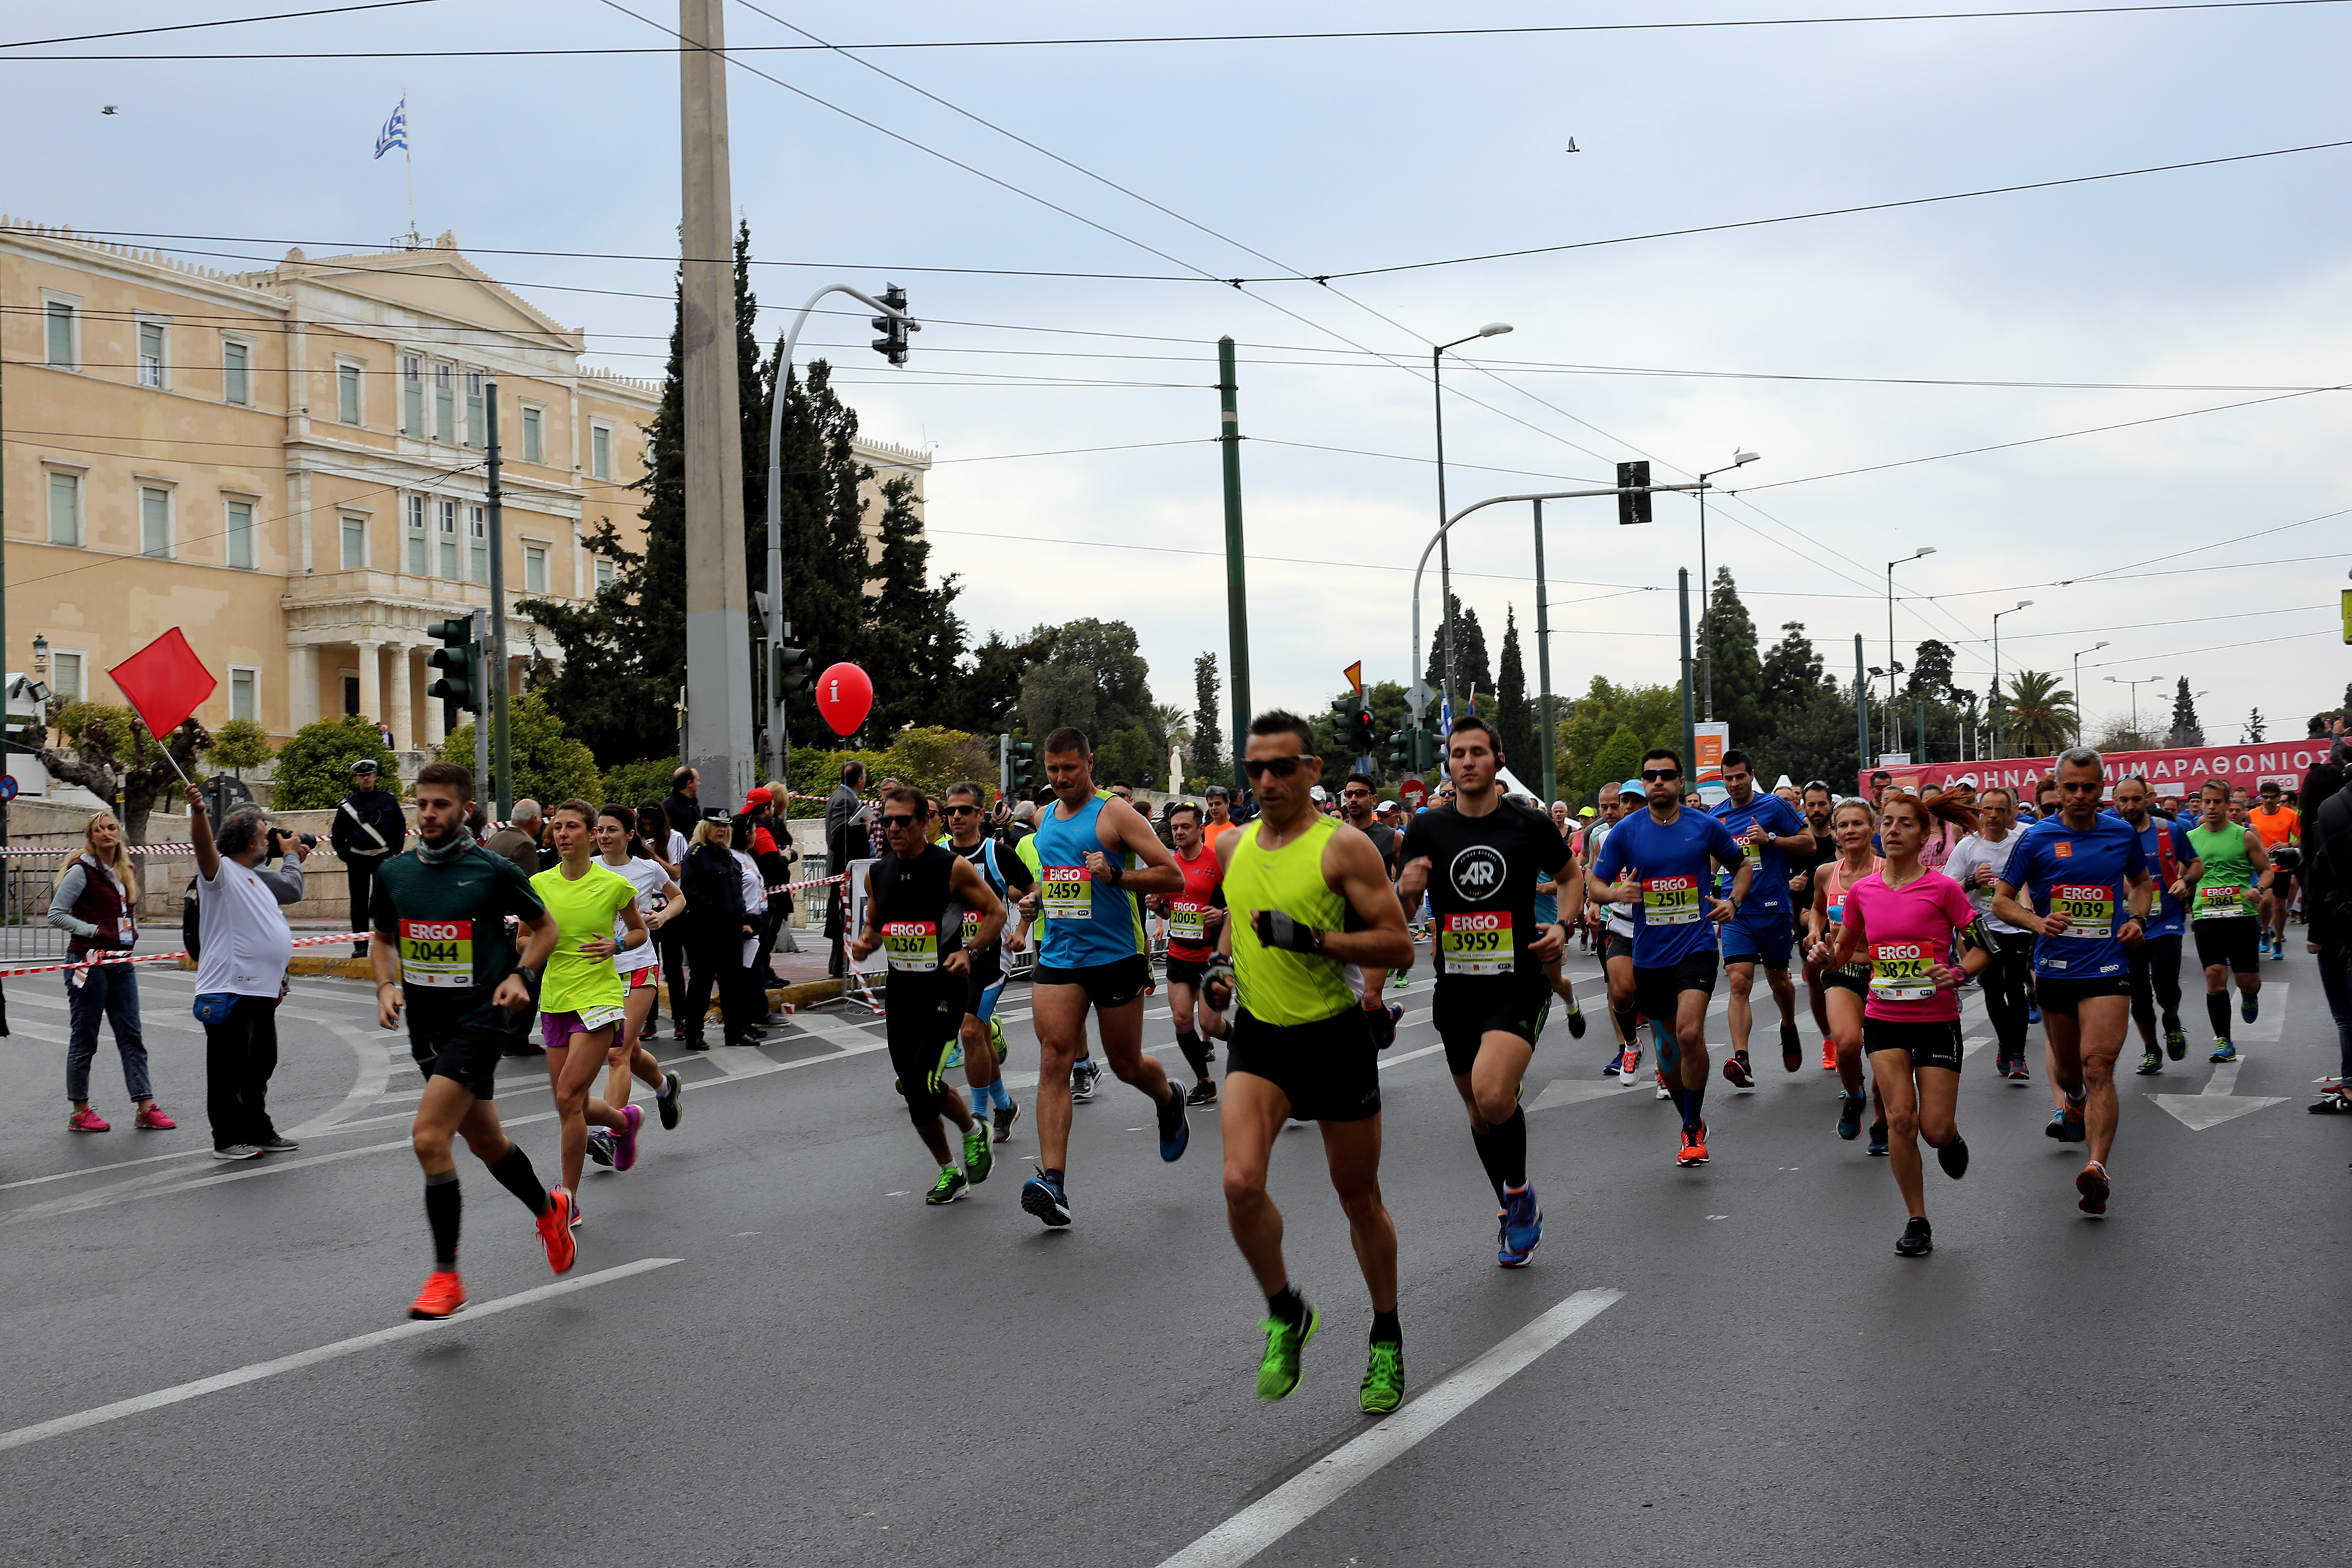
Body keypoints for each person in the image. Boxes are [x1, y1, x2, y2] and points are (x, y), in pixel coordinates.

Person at [1203, 711, 1417, 1411]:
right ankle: (1285, 1310)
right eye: (1255, 768)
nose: (1266, 780)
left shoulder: (1343, 847)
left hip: (1333, 1037)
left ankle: (1385, 1335)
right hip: (1261, 1038)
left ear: (1311, 770)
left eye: (1281, 767)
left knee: (1358, 1199)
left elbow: (1398, 945)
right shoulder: (1231, 845)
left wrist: (1314, 939)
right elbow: (1238, 924)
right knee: (1239, 1184)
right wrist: (1219, 972)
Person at [370, 761, 573, 1319]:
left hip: (481, 1022)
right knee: (487, 1143)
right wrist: (385, 984)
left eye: (440, 804)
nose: (429, 814)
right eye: (422, 804)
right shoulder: (394, 873)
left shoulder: (492, 870)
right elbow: (383, 938)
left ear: (465, 810)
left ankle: (446, 1278)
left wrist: (521, 975)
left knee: (428, 1138)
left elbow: (546, 928)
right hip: (425, 1030)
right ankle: (549, 1209)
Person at [1396, 716, 1578, 1262]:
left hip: (1518, 979)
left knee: (1495, 1093)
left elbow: (1570, 877)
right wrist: (1405, 892)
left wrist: (1562, 925)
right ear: (1448, 765)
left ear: (1498, 761)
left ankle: (1518, 1195)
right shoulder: (1426, 829)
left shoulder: (1527, 824)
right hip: (1456, 988)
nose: (1467, 761)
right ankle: (1509, 1205)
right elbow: (1402, 910)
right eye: (1458, 753)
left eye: (1478, 751)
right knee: (1478, 1111)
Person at [1018, 726, 1192, 1229]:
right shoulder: (1044, 819)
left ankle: (1168, 1098)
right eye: (1053, 769)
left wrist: (1116, 875)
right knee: (1054, 1057)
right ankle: (1053, 1183)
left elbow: (1172, 875)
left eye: (1070, 768)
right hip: (1060, 956)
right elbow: (1058, 880)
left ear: (1089, 763)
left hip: (1115, 956)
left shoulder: (1114, 814)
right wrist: (1035, 901)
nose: (1061, 778)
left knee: (1125, 1063)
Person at [1820, 788, 1990, 1257]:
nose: (1893, 830)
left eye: (1905, 823)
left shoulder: (1944, 889)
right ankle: (1918, 1220)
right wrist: (1823, 956)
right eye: (1888, 822)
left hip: (1936, 1019)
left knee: (1933, 1129)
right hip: (1884, 1018)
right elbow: (1843, 951)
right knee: (1900, 1118)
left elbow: (1983, 948)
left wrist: (1958, 973)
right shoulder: (1863, 891)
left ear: (1925, 836)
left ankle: (1949, 1136)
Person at [1991, 747, 2156, 1217]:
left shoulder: (2120, 833)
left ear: (2101, 788)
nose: (2080, 795)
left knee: (2098, 1065)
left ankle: (2097, 1167)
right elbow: (2001, 901)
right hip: (2055, 970)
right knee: (2069, 1074)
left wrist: (2138, 919)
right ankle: (2074, 1102)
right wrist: (2035, 921)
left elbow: (2142, 884)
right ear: (2057, 788)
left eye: (2088, 787)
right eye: (2071, 787)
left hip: (2107, 967)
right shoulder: (2036, 838)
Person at [1591, 748, 1751, 1166]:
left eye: (1666, 774)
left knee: (1689, 1034)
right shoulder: (1626, 832)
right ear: (1644, 783)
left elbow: (1743, 867)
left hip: (1696, 947)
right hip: (1650, 955)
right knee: (1666, 1052)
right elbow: (1595, 885)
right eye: (1651, 776)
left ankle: (1691, 1127)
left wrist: (1733, 902)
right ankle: (1689, 1118)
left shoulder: (1704, 826)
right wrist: (1616, 892)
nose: (1658, 781)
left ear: (1681, 781)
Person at [849, 784, 1006, 1205]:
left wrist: (970, 952)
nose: (893, 828)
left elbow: (996, 912)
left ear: (925, 822)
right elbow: (875, 925)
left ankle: (973, 1130)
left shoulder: (951, 868)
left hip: (944, 989)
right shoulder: (878, 873)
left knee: (923, 1079)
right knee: (914, 1087)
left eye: (903, 820)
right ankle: (951, 1168)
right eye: (887, 820)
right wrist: (866, 942)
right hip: (902, 992)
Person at [523, 799, 651, 1210]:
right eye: (558, 826)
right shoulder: (539, 884)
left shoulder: (612, 884)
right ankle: (623, 1120)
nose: (562, 834)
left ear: (591, 834)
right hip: (555, 998)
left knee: (567, 1097)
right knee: (570, 1105)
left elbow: (639, 932)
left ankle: (568, 1198)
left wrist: (616, 945)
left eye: (572, 826)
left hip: (599, 998)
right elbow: (523, 938)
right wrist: (541, 946)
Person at [185, 797, 308, 1160]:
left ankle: (258, 1129)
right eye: (265, 835)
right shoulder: (220, 873)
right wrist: (199, 813)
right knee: (229, 1069)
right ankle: (226, 1139)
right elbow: (203, 848)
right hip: (229, 988)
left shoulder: (256, 877)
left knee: (261, 1064)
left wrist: (278, 979)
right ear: (251, 842)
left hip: (261, 990)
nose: (270, 840)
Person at [48, 810, 173, 1135]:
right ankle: (80, 1111)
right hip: (89, 961)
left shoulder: (125, 870)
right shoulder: (82, 870)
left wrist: (130, 931)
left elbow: (123, 911)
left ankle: (146, 1107)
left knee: (131, 1035)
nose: (106, 833)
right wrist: (92, 931)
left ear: (119, 833)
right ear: (91, 837)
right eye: (99, 829)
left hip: (121, 963)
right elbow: (56, 913)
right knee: (85, 1036)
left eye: (111, 827)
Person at [584, 805, 685, 1168]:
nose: (604, 836)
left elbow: (678, 897)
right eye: (599, 830)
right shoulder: (588, 868)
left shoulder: (647, 868)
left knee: (617, 1053)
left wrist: (663, 916)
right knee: (632, 1052)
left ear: (630, 834)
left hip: (638, 966)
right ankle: (665, 1088)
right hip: (599, 972)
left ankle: (612, 1134)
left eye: (612, 829)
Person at [1711, 748, 1816, 1082]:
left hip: (1773, 908)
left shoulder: (1773, 806)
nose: (1735, 783)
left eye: (1740, 776)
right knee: (1739, 981)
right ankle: (1742, 1058)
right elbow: (1708, 862)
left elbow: (1809, 844)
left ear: (1752, 775)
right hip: (1735, 910)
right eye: (1729, 778)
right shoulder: (1716, 816)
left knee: (1778, 981)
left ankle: (1788, 1024)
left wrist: (1770, 839)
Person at [942, 780, 1031, 1140]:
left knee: (969, 1031)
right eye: (950, 811)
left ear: (980, 814)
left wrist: (1022, 929)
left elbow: (1033, 891)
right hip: (952, 958)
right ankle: (1004, 1105)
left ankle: (979, 1117)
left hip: (992, 957)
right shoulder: (938, 853)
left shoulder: (997, 853)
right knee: (977, 1035)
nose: (956, 816)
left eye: (964, 810)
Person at [1807, 799, 1883, 1149]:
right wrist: (1814, 931)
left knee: (1885, 1055)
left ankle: (1882, 1121)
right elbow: (1817, 909)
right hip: (1841, 966)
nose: (1850, 830)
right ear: (1835, 832)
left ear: (1872, 828)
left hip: (1885, 970)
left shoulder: (1888, 870)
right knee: (1849, 1044)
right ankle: (1854, 1095)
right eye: (1844, 825)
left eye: (1858, 824)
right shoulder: (1826, 873)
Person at [1945, 787, 2035, 1081]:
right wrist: (1972, 880)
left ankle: (2018, 1055)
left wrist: (2027, 900)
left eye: (1999, 810)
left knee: (2015, 987)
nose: (1993, 816)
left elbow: (2036, 877)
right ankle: (2005, 1044)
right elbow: (1947, 889)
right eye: (1987, 810)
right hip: (1981, 928)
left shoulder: (2022, 841)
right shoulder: (1967, 846)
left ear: (2012, 813)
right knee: (1994, 989)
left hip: (2016, 925)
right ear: (1978, 812)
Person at [2111, 777, 2199, 1076]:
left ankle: (2171, 1020)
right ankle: (2151, 1050)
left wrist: (2185, 881)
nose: (2130, 806)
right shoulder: (2108, 834)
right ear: (2115, 802)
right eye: (2124, 800)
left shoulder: (2169, 829)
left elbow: (2196, 864)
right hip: (2125, 927)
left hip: (2165, 922)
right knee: (2139, 996)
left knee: (2165, 983)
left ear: (2148, 799)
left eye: (2136, 799)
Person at [2185, 777, 2270, 1063]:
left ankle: (2250, 996)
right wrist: (2183, 884)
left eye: (2217, 801)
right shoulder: (2191, 838)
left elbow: (2267, 870)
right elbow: (2183, 873)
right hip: (2206, 915)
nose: (2211, 807)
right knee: (2215, 976)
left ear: (2227, 803)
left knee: (2248, 981)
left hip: (2241, 915)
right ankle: (2224, 1040)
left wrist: (2259, 889)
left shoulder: (2243, 836)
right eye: (2206, 801)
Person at [1156, 800, 1229, 1105]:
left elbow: (1238, 902)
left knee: (1210, 1025)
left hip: (1210, 956)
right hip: (1179, 954)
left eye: (1186, 827)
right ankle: (1205, 1082)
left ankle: (1242, 1041)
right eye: (1175, 827)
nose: (1179, 832)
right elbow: (1169, 910)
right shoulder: (1169, 865)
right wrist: (1157, 907)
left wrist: (1222, 913)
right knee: (1182, 1020)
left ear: (1200, 829)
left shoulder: (1216, 861)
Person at [679, 809, 759, 1050]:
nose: (722, 830)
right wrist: (719, 912)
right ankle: (694, 1033)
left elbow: (736, 893)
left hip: (730, 929)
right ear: (706, 827)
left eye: (725, 826)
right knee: (701, 983)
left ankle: (735, 1031)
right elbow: (690, 892)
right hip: (704, 929)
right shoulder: (696, 855)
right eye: (716, 825)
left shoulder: (727, 855)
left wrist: (743, 918)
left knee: (732, 983)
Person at [2299, 761, 2352, 1112]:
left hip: (2335, 924)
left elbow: (2320, 885)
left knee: (2345, 1012)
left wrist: (2314, 933)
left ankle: (2349, 1089)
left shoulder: (2325, 822)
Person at [1790, 781, 1844, 1070]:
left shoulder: (1840, 840)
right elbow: (1777, 877)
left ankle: (1848, 1036)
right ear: (1804, 807)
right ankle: (1829, 1039)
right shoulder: (1798, 841)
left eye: (1822, 804)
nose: (1817, 809)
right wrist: (1789, 885)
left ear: (1830, 805)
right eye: (1811, 804)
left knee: (1844, 985)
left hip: (1842, 924)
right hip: (1806, 919)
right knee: (1816, 985)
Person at [329, 758, 406, 957]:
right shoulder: (348, 805)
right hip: (358, 859)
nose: (366, 778)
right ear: (357, 779)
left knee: (387, 901)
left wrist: (394, 853)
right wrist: (346, 856)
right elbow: (337, 834)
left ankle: (390, 942)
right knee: (359, 903)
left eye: (369, 775)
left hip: (384, 858)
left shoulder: (388, 801)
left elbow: (400, 827)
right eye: (362, 776)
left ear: (375, 776)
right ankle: (360, 945)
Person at [825, 762, 869, 979]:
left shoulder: (844, 797)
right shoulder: (844, 799)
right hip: (844, 868)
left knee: (846, 917)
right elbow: (838, 835)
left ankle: (841, 964)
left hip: (844, 868)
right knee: (845, 917)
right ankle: (841, 966)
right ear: (860, 780)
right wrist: (864, 828)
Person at [2250, 779, 2301, 959]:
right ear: (2261, 798)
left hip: (2282, 867)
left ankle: (2278, 940)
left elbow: (2302, 839)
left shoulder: (2289, 815)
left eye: (2273, 797)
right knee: (2264, 901)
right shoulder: (2252, 815)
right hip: (2261, 868)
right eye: (2266, 797)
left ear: (2279, 798)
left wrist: (2288, 845)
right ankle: (2265, 932)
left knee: (2279, 907)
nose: (2269, 801)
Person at [486, 799, 544, 880]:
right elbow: (530, 881)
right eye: (540, 818)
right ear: (534, 819)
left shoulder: (494, 838)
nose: (541, 822)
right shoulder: (525, 845)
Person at [663, 765, 702, 842]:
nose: (699, 784)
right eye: (697, 780)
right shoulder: (668, 807)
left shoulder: (694, 805)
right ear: (689, 783)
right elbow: (672, 837)